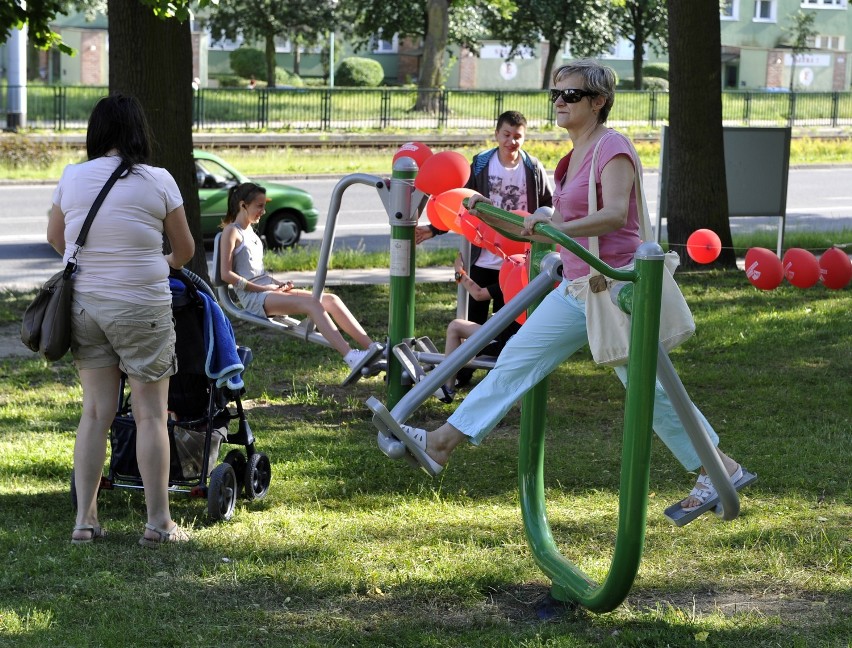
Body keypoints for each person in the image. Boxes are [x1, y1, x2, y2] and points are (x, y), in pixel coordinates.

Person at [391, 60, 750, 514]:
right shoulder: (569, 159)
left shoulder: (612, 147)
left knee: (651, 390)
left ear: (599, 101)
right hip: (579, 286)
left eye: (572, 95)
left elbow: (617, 214)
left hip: (617, 286)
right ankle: (444, 441)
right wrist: (492, 214)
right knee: (516, 360)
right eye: (556, 94)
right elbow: (553, 226)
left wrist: (557, 231)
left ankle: (719, 468)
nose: (560, 102)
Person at [47, 94, 195, 546]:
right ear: (138, 132)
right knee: (151, 415)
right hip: (141, 307)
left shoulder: (72, 178)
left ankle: (84, 521)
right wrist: (154, 261)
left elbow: (56, 238)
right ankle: (157, 523)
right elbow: (185, 251)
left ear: (97, 133)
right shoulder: (158, 180)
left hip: (85, 306)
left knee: (94, 414)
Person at [416, 110, 552, 387]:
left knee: (508, 322)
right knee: (475, 319)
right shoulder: (480, 165)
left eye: (517, 137)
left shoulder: (533, 168)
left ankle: (497, 376)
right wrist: (433, 229)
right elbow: (460, 205)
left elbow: (547, 206)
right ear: (496, 134)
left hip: (515, 259)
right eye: (506, 135)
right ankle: (462, 373)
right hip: (482, 254)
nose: (512, 142)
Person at [218, 182, 382, 375]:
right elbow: (226, 275)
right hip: (253, 298)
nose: (264, 211)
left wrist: (278, 284)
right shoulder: (231, 231)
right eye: (259, 206)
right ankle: (351, 357)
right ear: (243, 205)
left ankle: (373, 348)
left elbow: (258, 272)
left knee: (331, 299)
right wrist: (265, 289)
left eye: (264, 205)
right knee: (313, 304)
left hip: (267, 291)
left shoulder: (251, 233)